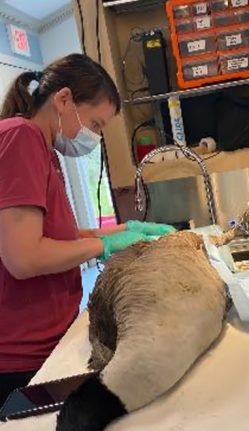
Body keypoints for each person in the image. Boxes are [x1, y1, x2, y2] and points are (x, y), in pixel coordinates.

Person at [0, 54, 174, 402]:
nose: (95, 137)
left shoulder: (45, 149)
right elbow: (23, 257)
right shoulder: (21, 137)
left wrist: (127, 229)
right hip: (21, 355)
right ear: (64, 99)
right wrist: (104, 247)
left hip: (48, 337)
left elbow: (56, 237)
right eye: (95, 125)